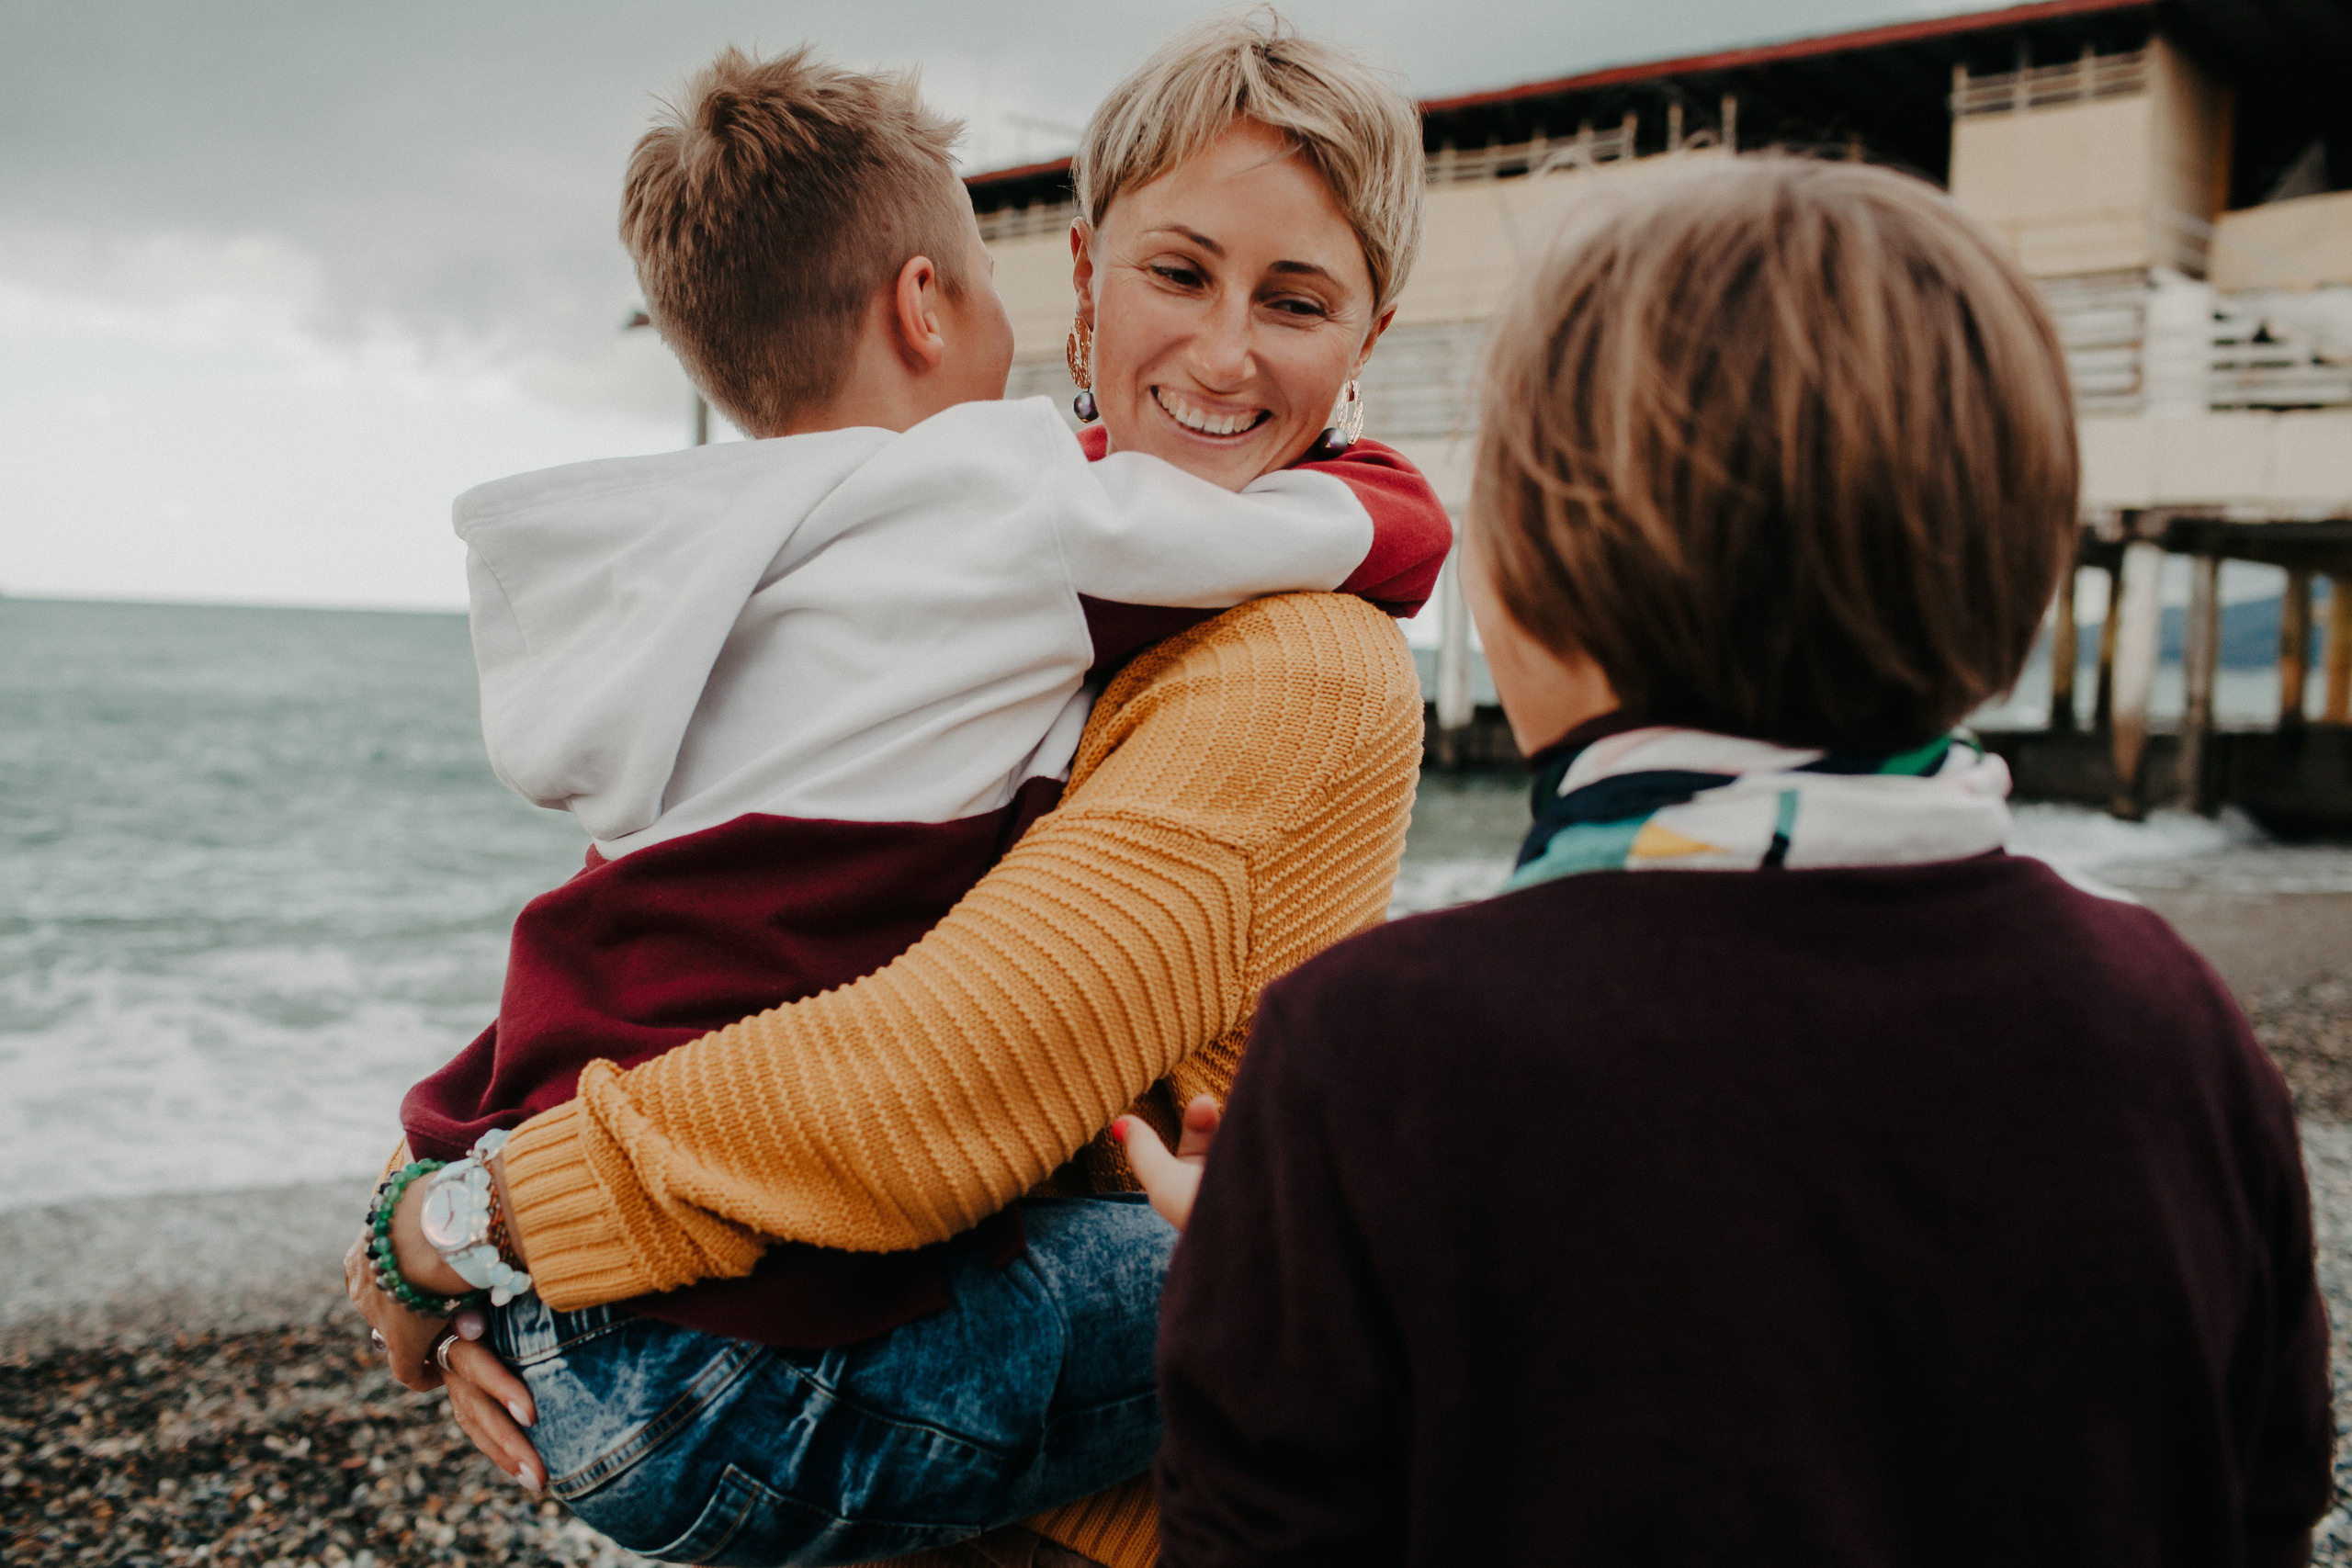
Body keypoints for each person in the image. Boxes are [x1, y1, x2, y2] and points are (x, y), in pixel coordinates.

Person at [347, 17, 1437, 1567]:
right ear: (1079, 276)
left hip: (1058, 1513)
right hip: (866, 1396)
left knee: (1352, 1259)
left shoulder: (1294, 663)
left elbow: (926, 1076)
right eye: (1178, 274)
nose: (1221, 353)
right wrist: (443, 1214)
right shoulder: (997, 554)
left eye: (1298, 301)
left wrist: (484, 1234)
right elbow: (692, 931)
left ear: (1366, 340)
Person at [1142, 154, 2336, 1565]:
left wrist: (1281, 1234)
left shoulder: (1373, 1054)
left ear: (1533, 572)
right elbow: (2260, 1493)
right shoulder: (2173, 1024)